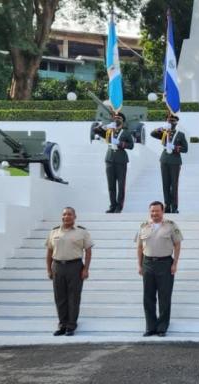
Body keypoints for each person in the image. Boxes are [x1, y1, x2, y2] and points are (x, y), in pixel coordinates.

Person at [135, 201, 183, 337]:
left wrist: (175, 263)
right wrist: (139, 265)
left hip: (165, 263)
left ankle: (162, 327)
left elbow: (177, 245)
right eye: (152, 211)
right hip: (148, 263)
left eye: (157, 211)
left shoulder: (171, 226)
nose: (154, 213)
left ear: (163, 211)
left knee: (164, 297)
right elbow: (139, 247)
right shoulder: (143, 226)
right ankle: (150, 327)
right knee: (148, 297)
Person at [44, 207, 93, 336]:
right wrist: (49, 269)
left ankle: (71, 325)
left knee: (73, 297)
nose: (67, 217)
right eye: (64, 214)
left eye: (70, 214)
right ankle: (62, 325)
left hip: (75, 266)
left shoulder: (82, 232)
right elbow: (49, 252)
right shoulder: (54, 232)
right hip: (58, 266)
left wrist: (86, 269)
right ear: (62, 216)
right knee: (60, 298)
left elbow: (88, 251)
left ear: (75, 217)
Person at [93, 112, 135, 213]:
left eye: (119, 118)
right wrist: (104, 126)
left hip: (121, 160)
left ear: (122, 121)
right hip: (110, 159)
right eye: (115, 118)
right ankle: (112, 206)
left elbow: (131, 146)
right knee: (111, 185)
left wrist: (120, 143)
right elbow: (96, 130)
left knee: (121, 185)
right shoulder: (109, 131)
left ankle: (119, 206)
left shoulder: (126, 133)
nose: (116, 119)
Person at [150, 114, 189, 213]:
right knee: (165, 184)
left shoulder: (180, 134)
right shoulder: (163, 132)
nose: (170, 123)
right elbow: (152, 134)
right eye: (169, 121)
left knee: (174, 185)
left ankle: (174, 207)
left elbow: (185, 149)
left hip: (175, 161)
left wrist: (175, 147)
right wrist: (161, 128)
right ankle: (167, 206)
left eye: (173, 121)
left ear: (176, 123)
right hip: (164, 160)